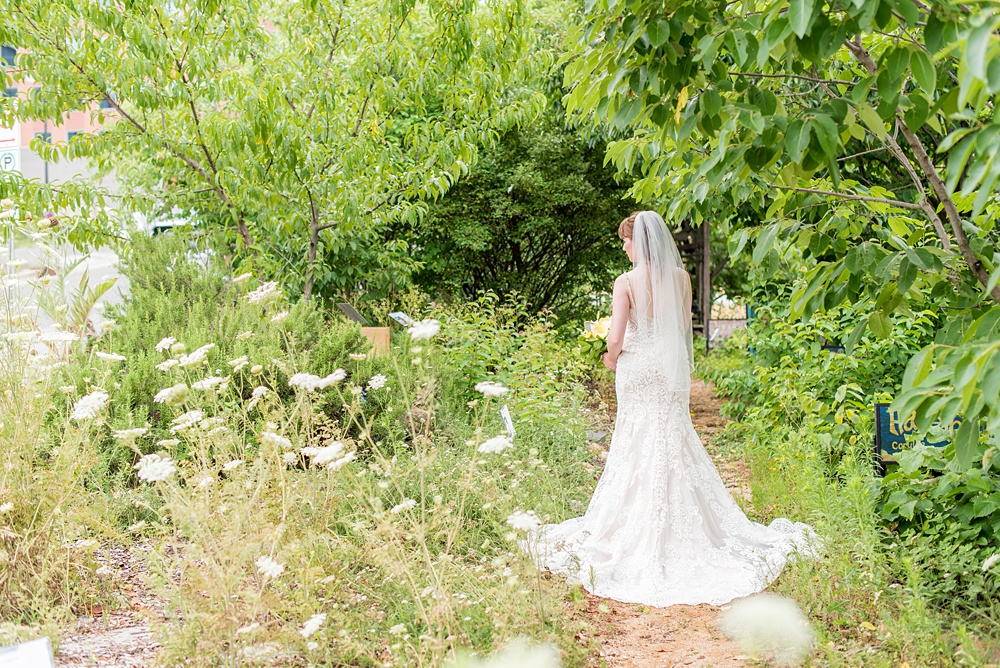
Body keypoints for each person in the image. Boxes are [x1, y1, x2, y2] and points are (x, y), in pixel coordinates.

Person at [530, 211, 814, 607]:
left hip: (637, 368)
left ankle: (636, 527)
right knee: (672, 434)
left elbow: (615, 337)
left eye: (625, 241)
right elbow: (681, 327)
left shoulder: (625, 282)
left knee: (635, 437)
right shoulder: (681, 279)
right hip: (667, 367)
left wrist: (611, 357)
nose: (624, 247)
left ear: (638, 242)